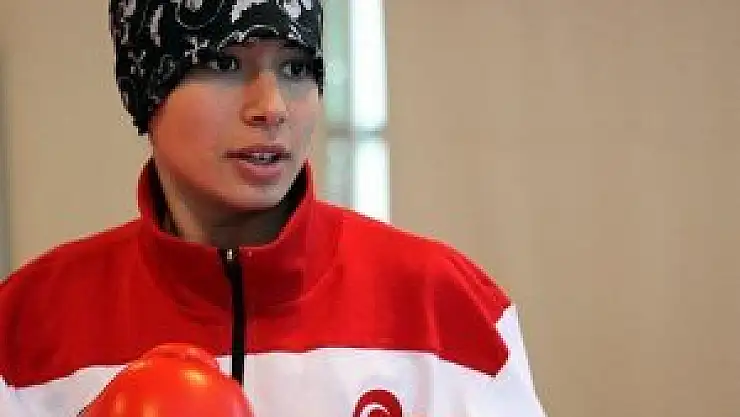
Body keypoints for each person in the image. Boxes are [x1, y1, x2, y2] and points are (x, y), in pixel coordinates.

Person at [0, 0, 547, 416]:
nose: (272, 107)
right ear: (147, 86)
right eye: (224, 62)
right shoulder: (25, 323)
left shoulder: (445, 305)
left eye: (296, 68)